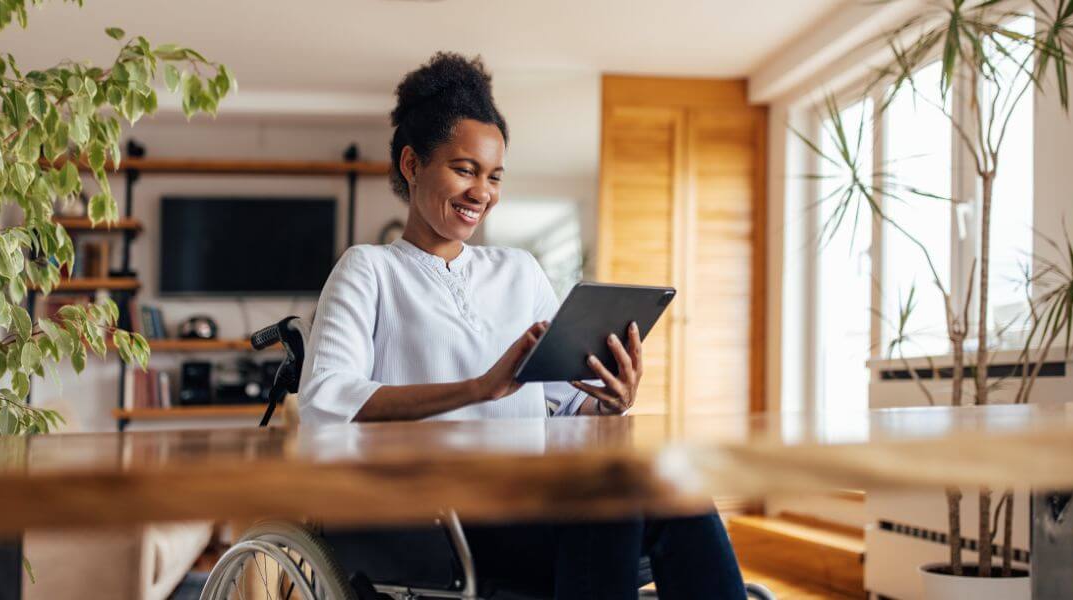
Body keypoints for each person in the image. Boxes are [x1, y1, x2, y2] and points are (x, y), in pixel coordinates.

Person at [298, 51, 746, 600]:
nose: (481, 192)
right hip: (430, 523)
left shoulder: (519, 271)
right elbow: (326, 400)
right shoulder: (368, 270)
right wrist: (478, 389)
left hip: (532, 503)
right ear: (412, 165)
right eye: (464, 170)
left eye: (493, 177)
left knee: (675, 489)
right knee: (608, 506)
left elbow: (562, 402)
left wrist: (605, 400)